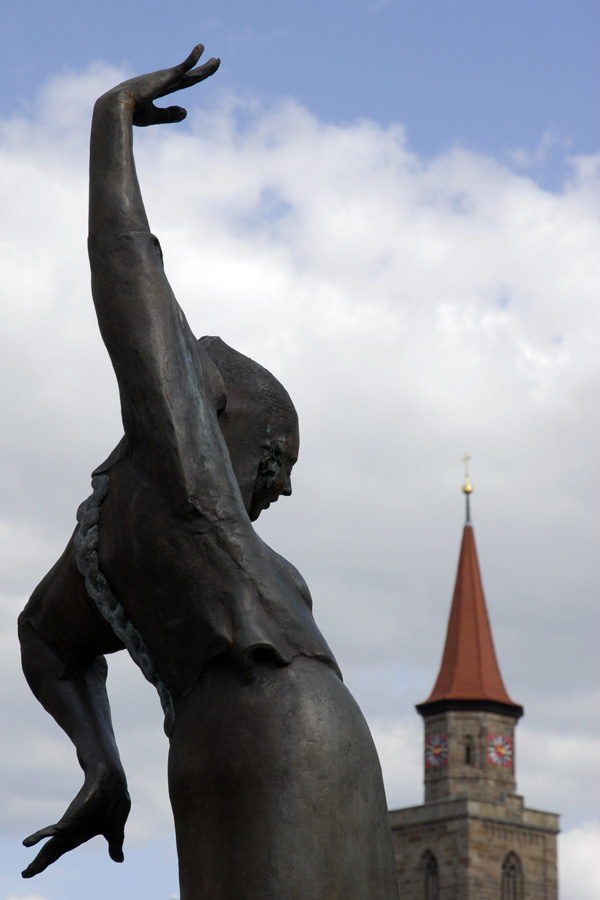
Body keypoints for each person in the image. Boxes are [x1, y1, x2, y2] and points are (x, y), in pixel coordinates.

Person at [18, 46, 400, 899]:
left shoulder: (110, 532)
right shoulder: (193, 486)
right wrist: (109, 122)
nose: (284, 487)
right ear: (218, 424)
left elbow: (44, 638)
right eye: (277, 459)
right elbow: (127, 269)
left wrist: (103, 765)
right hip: (284, 733)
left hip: (220, 741)